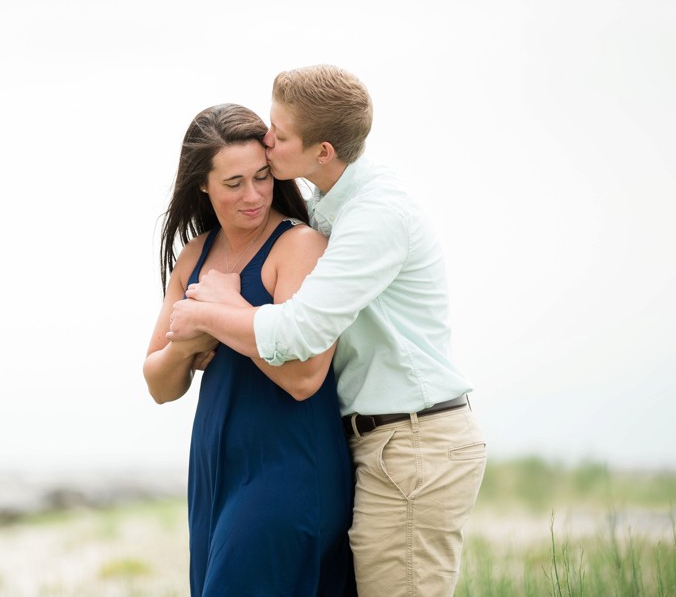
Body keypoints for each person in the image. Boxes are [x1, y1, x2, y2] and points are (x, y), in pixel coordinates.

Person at [167, 66, 487, 597]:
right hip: (375, 443)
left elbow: (300, 335)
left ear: (322, 151)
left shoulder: (375, 217)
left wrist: (212, 310)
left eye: (280, 133)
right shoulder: (327, 208)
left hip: (413, 444)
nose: (267, 142)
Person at [144, 103, 356, 596]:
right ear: (203, 185)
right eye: (233, 183)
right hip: (215, 473)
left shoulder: (298, 246)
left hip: (288, 466)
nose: (254, 195)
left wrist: (226, 313)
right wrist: (188, 344)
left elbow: (305, 377)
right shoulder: (195, 254)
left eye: (262, 177)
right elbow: (159, 382)